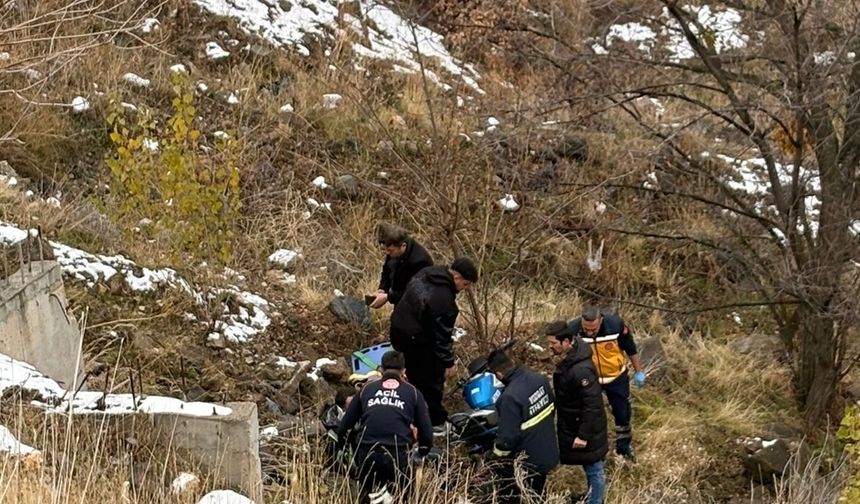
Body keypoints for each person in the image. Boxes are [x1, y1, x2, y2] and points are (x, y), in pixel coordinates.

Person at [389, 257, 479, 432]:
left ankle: (409, 407)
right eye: (465, 284)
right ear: (457, 278)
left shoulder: (427, 273)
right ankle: (434, 422)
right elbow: (441, 336)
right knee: (431, 378)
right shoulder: (444, 300)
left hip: (399, 330)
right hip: (415, 340)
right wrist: (448, 362)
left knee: (412, 374)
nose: (464, 289)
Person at [336, 350, 433, 504]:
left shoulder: (366, 390)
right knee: (402, 498)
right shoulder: (413, 393)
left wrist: (345, 448)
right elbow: (427, 434)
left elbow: (344, 427)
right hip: (398, 454)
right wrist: (421, 452)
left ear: (381, 370)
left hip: (368, 452)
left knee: (367, 498)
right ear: (404, 371)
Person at [568, 304, 644, 458]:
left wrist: (639, 371)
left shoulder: (616, 326)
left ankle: (624, 448)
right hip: (590, 380)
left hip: (616, 377)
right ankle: (593, 448)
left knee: (622, 413)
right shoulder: (573, 330)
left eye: (593, 329)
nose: (589, 332)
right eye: (586, 328)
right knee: (590, 413)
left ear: (600, 320)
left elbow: (631, 348)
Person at [485, 348, 559, 504]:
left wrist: (494, 456)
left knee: (510, 495)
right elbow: (551, 407)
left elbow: (507, 439)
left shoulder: (509, 398)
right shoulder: (539, 379)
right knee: (537, 495)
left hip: (527, 462)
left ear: (498, 375)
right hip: (547, 450)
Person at [545, 321, 608, 504]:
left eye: (553, 343)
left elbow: (593, 404)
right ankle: (592, 496)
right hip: (574, 421)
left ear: (566, 342)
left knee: (594, 466)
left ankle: (596, 501)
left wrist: (583, 435)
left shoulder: (581, 370)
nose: (550, 347)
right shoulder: (570, 358)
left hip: (585, 426)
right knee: (591, 464)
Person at [369, 223, 433, 309]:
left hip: (418, 306)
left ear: (403, 246)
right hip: (400, 297)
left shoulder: (420, 261)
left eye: (390, 251)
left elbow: (416, 293)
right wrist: (383, 289)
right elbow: (387, 270)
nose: (387, 253)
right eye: (386, 250)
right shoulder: (393, 249)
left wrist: (388, 297)